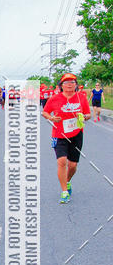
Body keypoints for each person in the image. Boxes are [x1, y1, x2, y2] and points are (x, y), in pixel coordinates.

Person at [42, 72, 91, 203]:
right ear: (61, 85)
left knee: (73, 165)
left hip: (76, 134)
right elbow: (45, 112)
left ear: (76, 85)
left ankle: (67, 181)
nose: (69, 84)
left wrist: (85, 117)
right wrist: (51, 118)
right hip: (59, 134)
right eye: (66, 82)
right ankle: (64, 192)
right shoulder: (54, 98)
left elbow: (88, 114)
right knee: (62, 161)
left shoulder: (81, 98)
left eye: (72, 82)